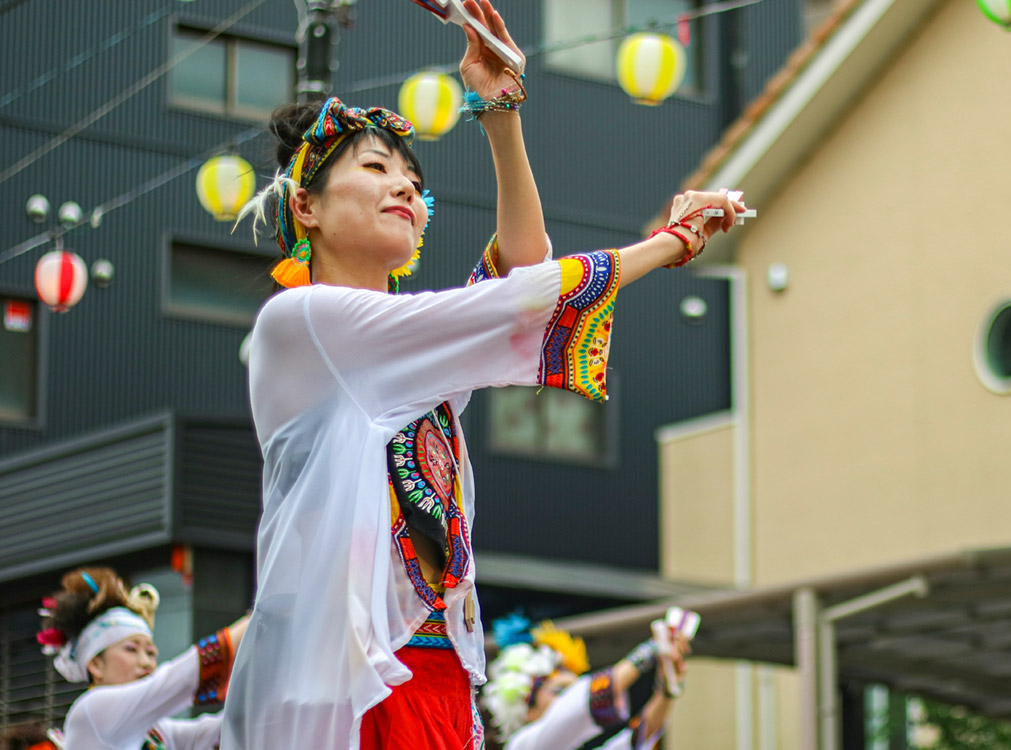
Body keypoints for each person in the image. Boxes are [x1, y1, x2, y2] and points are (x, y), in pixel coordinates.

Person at [220, 0, 743, 746]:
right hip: (341, 681)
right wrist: (667, 244)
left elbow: (518, 288)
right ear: (304, 206)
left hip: (432, 672)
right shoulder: (303, 324)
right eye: (376, 169)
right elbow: (515, 302)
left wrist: (500, 112)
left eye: (412, 179)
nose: (405, 187)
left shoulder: (410, 355)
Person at [34, 566, 249, 750]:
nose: (146, 662)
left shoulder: (157, 731)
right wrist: (255, 620)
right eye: (131, 649)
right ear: (95, 665)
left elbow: (223, 731)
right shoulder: (91, 711)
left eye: (151, 653)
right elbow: (181, 678)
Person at [479, 621, 689, 750]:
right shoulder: (522, 746)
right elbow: (578, 705)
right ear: (529, 710)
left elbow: (636, 740)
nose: (568, 697)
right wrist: (653, 648)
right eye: (560, 691)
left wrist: (666, 690)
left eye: (573, 688)